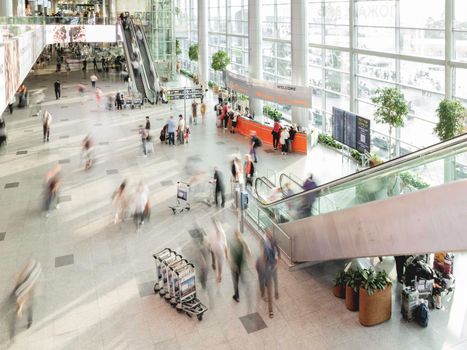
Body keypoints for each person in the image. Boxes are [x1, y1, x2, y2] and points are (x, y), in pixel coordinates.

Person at [8, 259, 42, 342]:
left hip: (26, 291)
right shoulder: (35, 266)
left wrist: (19, 309)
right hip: (29, 289)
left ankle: (13, 333)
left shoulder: (22, 289)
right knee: (29, 307)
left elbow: (24, 298)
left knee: (24, 309)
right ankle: (29, 322)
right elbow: (28, 266)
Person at [229, 229, 251, 303]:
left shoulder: (234, 245)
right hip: (241, 264)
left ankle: (237, 296)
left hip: (236, 267)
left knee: (236, 281)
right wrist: (247, 256)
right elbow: (249, 251)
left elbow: (231, 256)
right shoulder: (242, 241)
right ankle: (245, 288)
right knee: (241, 278)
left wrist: (232, 264)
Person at [264, 231, 280, 318]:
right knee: (269, 290)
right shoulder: (265, 244)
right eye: (266, 235)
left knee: (276, 281)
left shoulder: (274, 244)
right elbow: (264, 256)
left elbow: (278, 254)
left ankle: (276, 291)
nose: (267, 236)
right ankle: (270, 311)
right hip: (268, 268)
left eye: (268, 235)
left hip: (273, 267)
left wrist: (277, 264)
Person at [209, 219, 228, 283]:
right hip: (215, 248)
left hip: (219, 249)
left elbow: (225, 244)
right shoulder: (214, 231)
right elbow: (211, 240)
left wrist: (226, 254)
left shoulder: (221, 232)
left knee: (219, 262)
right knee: (214, 256)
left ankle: (219, 275)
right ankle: (214, 265)